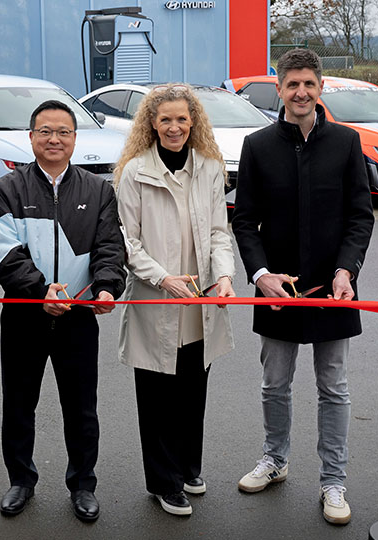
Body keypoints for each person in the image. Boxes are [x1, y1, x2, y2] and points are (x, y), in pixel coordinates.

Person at [231, 49, 374, 525]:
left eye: (309, 84)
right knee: (275, 383)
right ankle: (274, 460)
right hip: (278, 291)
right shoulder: (257, 145)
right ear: (279, 89)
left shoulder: (347, 143)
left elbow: (360, 215)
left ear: (320, 87)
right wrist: (260, 275)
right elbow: (245, 220)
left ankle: (333, 481)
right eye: (292, 84)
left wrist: (346, 271)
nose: (301, 92)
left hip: (333, 289)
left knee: (333, 387)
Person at [0, 99, 126, 522]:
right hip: (25, 316)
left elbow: (109, 248)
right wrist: (39, 290)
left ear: (74, 139)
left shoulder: (99, 190)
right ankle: (21, 481)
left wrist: (106, 288)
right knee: (19, 403)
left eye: (63, 132)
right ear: (30, 138)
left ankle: (83, 485)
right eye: (45, 131)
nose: (54, 139)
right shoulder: (5, 190)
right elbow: (4, 254)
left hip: (80, 317)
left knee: (82, 407)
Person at [114, 84, 236, 517]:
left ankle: (187, 467)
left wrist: (223, 275)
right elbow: (126, 242)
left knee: (191, 392)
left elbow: (220, 233)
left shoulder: (208, 168)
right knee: (157, 397)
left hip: (200, 303)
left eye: (182, 119)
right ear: (152, 123)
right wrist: (163, 278)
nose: (174, 127)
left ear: (193, 122)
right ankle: (164, 483)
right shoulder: (134, 173)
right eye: (165, 119)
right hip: (156, 301)